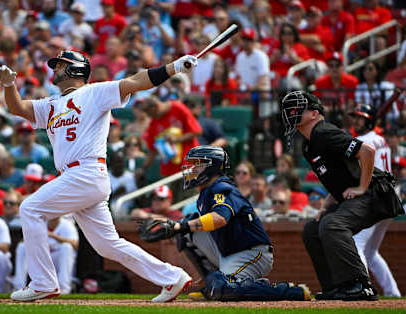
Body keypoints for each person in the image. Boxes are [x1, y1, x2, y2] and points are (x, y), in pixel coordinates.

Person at [0, 49, 198, 301]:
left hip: (86, 172)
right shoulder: (50, 104)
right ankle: (171, 277)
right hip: (77, 177)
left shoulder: (95, 92)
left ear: (76, 69)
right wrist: (9, 85)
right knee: (107, 245)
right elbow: (18, 107)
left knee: (30, 208)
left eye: (60, 65)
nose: (54, 69)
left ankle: (43, 282)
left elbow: (137, 81)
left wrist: (175, 67)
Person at [280, 90, 403, 300]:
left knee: (332, 224)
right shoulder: (309, 145)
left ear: (315, 114)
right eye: (291, 109)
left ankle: (361, 285)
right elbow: (337, 183)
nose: (293, 112)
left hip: (376, 193)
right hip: (360, 196)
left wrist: (362, 188)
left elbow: (367, 152)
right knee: (312, 229)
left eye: (300, 108)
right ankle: (336, 287)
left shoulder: (324, 132)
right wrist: (324, 207)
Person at [149, 145, 310, 301]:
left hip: (252, 252)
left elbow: (220, 218)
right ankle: (209, 284)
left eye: (199, 164)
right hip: (228, 251)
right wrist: (178, 226)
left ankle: (290, 292)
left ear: (212, 166)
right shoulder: (206, 192)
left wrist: (181, 225)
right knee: (186, 229)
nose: (193, 169)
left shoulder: (221, 187)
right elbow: (194, 225)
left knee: (225, 287)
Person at [348, 104, 401, 297]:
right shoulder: (381, 139)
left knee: (356, 245)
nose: (356, 121)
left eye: (360, 118)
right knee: (370, 252)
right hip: (389, 197)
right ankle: (393, 293)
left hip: (376, 197)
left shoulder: (361, 140)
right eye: (355, 117)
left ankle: (363, 289)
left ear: (369, 121)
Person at [13, 216, 79, 294]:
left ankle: (63, 288)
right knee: (22, 246)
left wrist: (54, 236)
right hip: (42, 259)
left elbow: (75, 245)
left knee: (66, 247)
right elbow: (27, 240)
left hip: (57, 258)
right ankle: (18, 286)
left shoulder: (67, 225)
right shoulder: (39, 224)